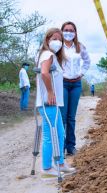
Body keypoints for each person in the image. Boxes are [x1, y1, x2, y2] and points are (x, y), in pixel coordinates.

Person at [36, 28, 75, 178]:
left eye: (59, 39)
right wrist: (51, 92)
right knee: (51, 134)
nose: (57, 42)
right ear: (47, 40)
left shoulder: (53, 56)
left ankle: (59, 164)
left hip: (53, 103)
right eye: (54, 38)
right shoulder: (47, 54)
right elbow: (44, 73)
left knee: (59, 133)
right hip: (49, 102)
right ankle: (46, 168)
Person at [60, 21, 91, 156]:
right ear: (61, 31)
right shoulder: (58, 47)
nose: (68, 32)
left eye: (71, 30)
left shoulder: (79, 47)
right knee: (62, 117)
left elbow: (87, 61)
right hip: (62, 83)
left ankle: (71, 146)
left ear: (75, 32)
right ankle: (60, 146)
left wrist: (81, 73)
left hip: (76, 84)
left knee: (71, 117)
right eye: (66, 30)